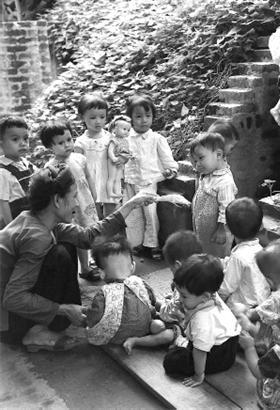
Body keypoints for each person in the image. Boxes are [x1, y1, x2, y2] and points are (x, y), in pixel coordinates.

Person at [0, 166, 157, 351]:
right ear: (57, 200)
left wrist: (131, 204)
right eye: (74, 196)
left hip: (13, 308)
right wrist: (64, 309)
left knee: (67, 245)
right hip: (8, 323)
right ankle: (35, 331)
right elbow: (13, 298)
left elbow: (89, 237)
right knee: (59, 253)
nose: (76, 203)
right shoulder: (36, 237)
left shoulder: (42, 221)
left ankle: (67, 315)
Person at [163, 254, 241, 387]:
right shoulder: (210, 295)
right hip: (229, 344)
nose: (180, 299)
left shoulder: (202, 319)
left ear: (204, 296)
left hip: (219, 356)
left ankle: (185, 346)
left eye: (184, 295)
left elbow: (200, 350)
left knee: (171, 361)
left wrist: (198, 375)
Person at [123, 230, 202, 354]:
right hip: (184, 315)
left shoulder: (185, 288)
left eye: (171, 269)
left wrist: (159, 311)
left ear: (177, 265)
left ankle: (136, 340)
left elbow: (169, 314)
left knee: (165, 336)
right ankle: (151, 305)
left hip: (184, 323)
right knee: (159, 303)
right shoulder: (200, 276)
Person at [40, 120, 100, 282]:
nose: (67, 145)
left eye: (69, 139)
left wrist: (93, 193)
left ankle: (92, 262)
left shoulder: (80, 158)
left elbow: (87, 176)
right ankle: (83, 268)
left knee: (90, 232)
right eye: (60, 143)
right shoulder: (51, 166)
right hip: (69, 208)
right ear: (50, 147)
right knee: (76, 236)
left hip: (85, 201)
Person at [124, 94, 178, 260]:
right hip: (129, 181)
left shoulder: (157, 139)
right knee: (133, 214)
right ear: (131, 119)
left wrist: (171, 170)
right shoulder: (125, 139)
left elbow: (168, 160)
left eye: (148, 116)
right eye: (138, 116)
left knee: (150, 213)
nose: (143, 120)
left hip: (148, 181)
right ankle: (137, 243)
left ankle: (153, 244)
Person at [86, 238, 165, 346]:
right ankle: (151, 325)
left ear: (102, 273)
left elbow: (95, 315)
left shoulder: (103, 293)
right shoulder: (140, 282)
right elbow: (152, 300)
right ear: (132, 267)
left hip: (116, 336)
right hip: (143, 328)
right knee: (150, 313)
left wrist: (88, 320)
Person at [190, 132, 237, 258]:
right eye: (195, 161)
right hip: (205, 228)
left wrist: (222, 229)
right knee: (205, 252)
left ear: (218, 154)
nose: (197, 164)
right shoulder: (208, 173)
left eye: (201, 158)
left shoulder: (224, 182)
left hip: (217, 231)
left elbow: (227, 207)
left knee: (217, 256)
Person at [219, 198, 270, 310]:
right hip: (262, 302)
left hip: (242, 308)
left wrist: (216, 303)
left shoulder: (238, 257)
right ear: (261, 225)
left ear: (227, 228)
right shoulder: (261, 249)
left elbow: (226, 287)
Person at [74, 93, 117, 218]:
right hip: (91, 179)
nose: (98, 121)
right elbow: (78, 166)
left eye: (102, 117)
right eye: (93, 118)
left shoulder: (110, 137)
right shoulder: (81, 142)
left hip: (108, 177)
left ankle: (112, 234)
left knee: (111, 211)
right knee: (94, 211)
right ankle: (98, 234)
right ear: (82, 117)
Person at [0, 116, 38, 228]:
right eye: (15, 139)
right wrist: (10, 229)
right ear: (1, 144)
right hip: (17, 220)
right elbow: (3, 204)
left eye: (25, 138)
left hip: (34, 214)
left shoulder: (27, 164)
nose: (22, 143)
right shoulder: (3, 172)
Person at [106, 115, 133, 199]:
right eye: (124, 129)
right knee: (112, 177)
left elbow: (126, 151)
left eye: (128, 130)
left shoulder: (125, 141)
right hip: (113, 161)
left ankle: (117, 192)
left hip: (120, 162)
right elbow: (110, 151)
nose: (126, 132)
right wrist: (113, 158)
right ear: (115, 129)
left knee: (118, 178)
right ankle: (110, 192)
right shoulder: (113, 140)